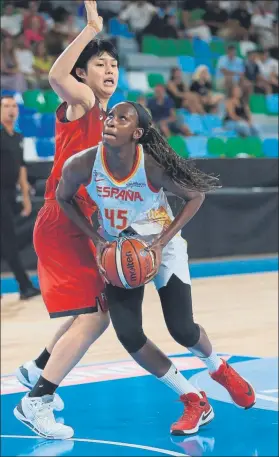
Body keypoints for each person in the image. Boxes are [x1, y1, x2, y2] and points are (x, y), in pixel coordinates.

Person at [14, 102, 256, 439]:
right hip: (120, 253)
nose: (111, 121)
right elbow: (62, 198)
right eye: (109, 116)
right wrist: (97, 240)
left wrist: (160, 241)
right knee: (128, 334)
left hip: (161, 248)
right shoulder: (83, 163)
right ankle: (193, 399)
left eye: (121, 118)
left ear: (137, 133)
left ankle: (218, 368)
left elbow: (196, 196)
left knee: (182, 330)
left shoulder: (152, 167)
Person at [15, 0, 118, 437]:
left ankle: (36, 369)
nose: (110, 68)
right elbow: (56, 76)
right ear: (83, 73)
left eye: (114, 63)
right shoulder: (83, 100)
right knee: (96, 317)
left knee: (91, 312)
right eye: (99, 62)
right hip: (61, 223)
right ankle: (36, 400)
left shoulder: (111, 116)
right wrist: (89, 28)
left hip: (78, 225)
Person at [0, 95, 40, 300]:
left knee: (7, 240)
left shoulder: (17, 136)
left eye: (14, 105)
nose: (11, 109)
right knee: (9, 240)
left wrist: (25, 197)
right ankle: (24, 286)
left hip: (8, 194)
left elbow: (21, 169)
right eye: (6, 106)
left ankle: (24, 285)